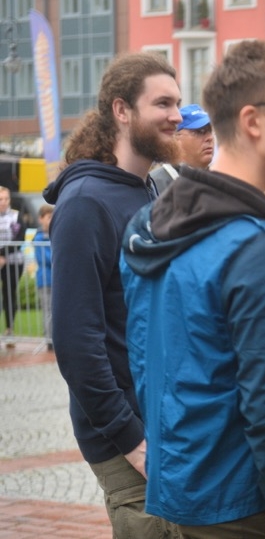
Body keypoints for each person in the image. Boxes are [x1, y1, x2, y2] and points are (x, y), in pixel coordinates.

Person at [120, 40, 265, 539]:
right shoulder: (260, 246)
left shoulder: (151, 223)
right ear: (254, 121)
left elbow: (148, 361)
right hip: (243, 503)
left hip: (178, 488)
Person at [42, 51, 182, 537]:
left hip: (170, 420)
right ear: (122, 110)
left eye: (178, 103)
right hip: (130, 438)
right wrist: (131, 439)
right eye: (162, 103)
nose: (177, 115)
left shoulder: (147, 190)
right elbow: (76, 342)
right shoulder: (85, 203)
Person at [150, 103, 216, 194]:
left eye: (210, 131)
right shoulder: (156, 184)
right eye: (200, 132)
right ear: (176, 138)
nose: (209, 138)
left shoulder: (219, 182)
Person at [0, 186, 26, 344]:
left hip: (13, 261)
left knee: (9, 293)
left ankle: (10, 328)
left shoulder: (17, 216)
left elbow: (19, 239)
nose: (2, 202)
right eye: (0, 199)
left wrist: (2, 255)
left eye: (5, 199)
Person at [33, 204, 53, 347]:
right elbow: (45, 259)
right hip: (45, 279)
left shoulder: (56, 234)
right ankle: (49, 339)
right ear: (41, 219)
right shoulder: (38, 238)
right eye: (48, 217)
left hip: (57, 279)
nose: (51, 220)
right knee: (48, 310)